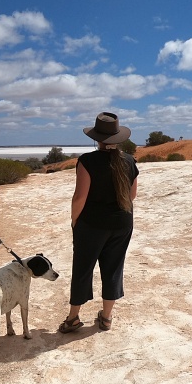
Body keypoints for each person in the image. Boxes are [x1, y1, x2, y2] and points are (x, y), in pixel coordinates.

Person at [59, 112, 139, 333]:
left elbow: (79, 197)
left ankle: (73, 318)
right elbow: (132, 196)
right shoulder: (130, 161)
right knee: (113, 268)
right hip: (122, 222)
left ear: (97, 138)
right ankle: (106, 317)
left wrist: (74, 220)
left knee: (83, 268)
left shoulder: (87, 161)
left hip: (91, 225)